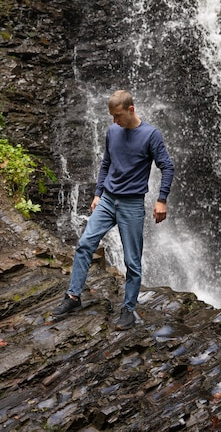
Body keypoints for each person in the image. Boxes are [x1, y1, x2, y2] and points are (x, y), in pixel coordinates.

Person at [51, 89, 174, 329]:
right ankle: (73, 297)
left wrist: (162, 199)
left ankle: (128, 309)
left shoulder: (151, 135)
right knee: (85, 244)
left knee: (132, 261)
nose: (115, 121)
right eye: (111, 116)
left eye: (118, 115)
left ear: (131, 109)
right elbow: (106, 163)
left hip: (132, 204)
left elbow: (167, 166)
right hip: (108, 199)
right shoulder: (112, 131)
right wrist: (98, 194)